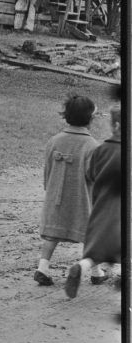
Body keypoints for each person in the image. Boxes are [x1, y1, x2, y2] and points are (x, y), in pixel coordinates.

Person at [35, 93, 99, 286]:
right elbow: (94, 176)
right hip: (82, 200)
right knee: (91, 234)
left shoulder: (54, 140)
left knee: (53, 233)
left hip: (56, 197)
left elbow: (47, 169)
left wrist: (50, 189)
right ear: (90, 119)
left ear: (66, 116)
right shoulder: (91, 146)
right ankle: (96, 272)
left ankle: (42, 267)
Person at [65, 102, 123, 299]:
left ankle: (80, 267)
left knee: (96, 251)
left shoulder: (101, 149)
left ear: (114, 126)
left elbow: (90, 174)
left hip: (101, 205)